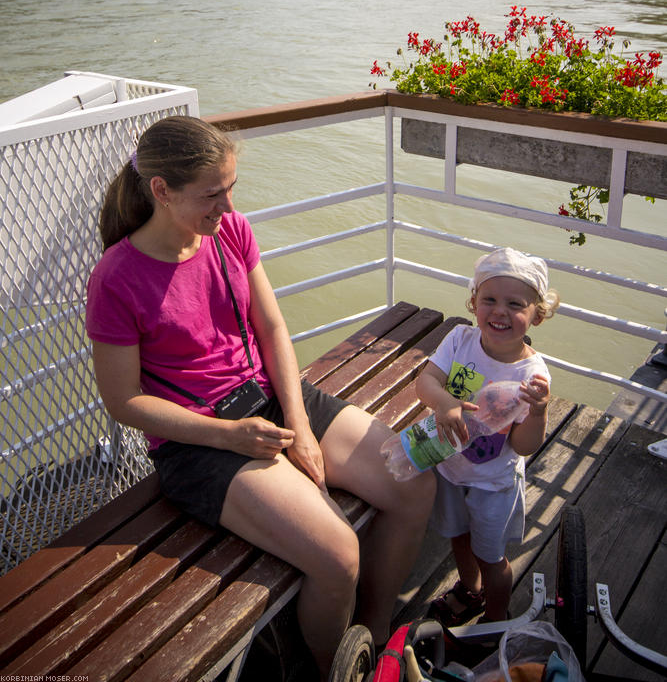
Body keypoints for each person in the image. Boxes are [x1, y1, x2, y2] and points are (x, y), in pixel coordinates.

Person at [85, 115, 435, 681]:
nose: (225, 205)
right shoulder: (116, 277)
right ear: (161, 191)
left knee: (414, 479)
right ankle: (330, 671)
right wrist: (231, 436)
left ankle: (374, 641)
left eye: (230, 188)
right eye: (211, 194)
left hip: (272, 402)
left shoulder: (229, 233)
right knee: (337, 556)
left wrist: (298, 420)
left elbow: (272, 329)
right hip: (200, 441)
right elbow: (123, 402)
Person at [415, 247, 559, 627]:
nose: (499, 311)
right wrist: (445, 403)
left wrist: (540, 410)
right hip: (450, 467)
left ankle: (495, 619)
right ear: (474, 301)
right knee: (458, 537)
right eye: (489, 299)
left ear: (536, 315)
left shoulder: (533, 374)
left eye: (515, 304)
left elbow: (525, 445)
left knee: (491, 556)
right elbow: (427, 381)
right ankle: (469, 589)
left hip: (493, 483)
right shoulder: (460, 339)